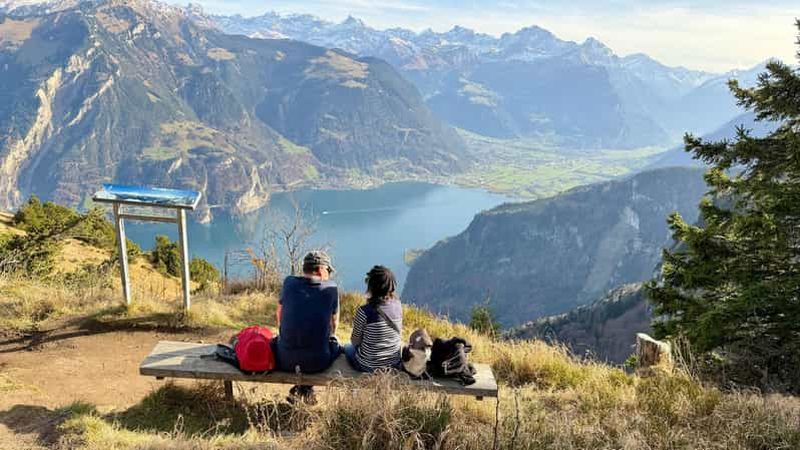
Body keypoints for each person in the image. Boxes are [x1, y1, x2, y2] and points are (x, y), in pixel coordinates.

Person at [272, 250, 341, 403]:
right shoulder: (331, 288)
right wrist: (331, 336)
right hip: (318, 362)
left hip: (284, 359)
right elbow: (334, 323)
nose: (329, 275)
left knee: (288, 343)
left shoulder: (289, 283)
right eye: (328, 271)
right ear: (321, 269)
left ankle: (300, 389)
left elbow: (279, 314)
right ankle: (305, 389)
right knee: (335, 346)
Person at [345, 265, 403, 372]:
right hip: (393, 365)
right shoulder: (398, 306)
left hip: (368, 366)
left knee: (347, 348)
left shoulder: (364, 311)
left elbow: (354, 341)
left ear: (371, 286)